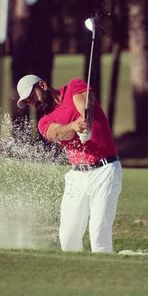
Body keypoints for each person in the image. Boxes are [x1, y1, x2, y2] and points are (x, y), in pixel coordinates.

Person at [16, 73, 122, 253]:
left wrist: (84, 121)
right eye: (28, 102)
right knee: (67, 238)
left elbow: (85, 106)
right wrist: (74, 127)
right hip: (76, 177)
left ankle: (103, 278)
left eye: (32, 96)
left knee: (98, 235)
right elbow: (56, 133)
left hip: (105, 170)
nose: (32, 103)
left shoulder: (74, 86)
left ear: (42, 85)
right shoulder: (44, 121)